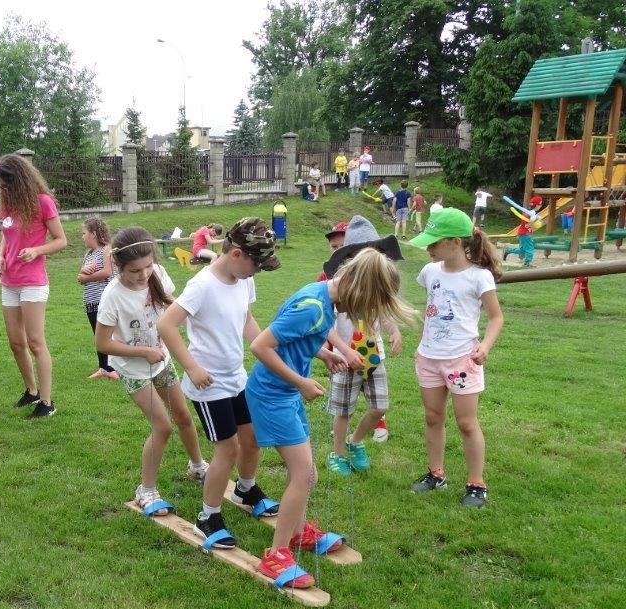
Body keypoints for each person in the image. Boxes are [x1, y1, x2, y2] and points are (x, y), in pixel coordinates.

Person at [246, 247, 417, 589]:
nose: (365, 313)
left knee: (306, 473)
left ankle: (297, 531)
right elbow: (260, 346)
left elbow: (304, 336)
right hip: (272, 395)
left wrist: (324, 355)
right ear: (360, 289)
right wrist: (301, 382)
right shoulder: (312, 305)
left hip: (286, 394)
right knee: (304, 474)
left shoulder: (324, 301)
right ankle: (276, 556)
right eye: (370, 304)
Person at [156, 217, 282, 550]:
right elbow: (166, 325)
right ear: (237, 254)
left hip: (236, 377)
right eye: (256, 265)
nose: (256, 272)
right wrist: (192, 367)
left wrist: (266, 349)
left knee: (251, 440)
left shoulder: (243, 279)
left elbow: (246, 318)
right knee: (228, 449)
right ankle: (208, 516)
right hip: (208, 384)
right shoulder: (202, 285)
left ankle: (245, 489)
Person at [96, 226, 209, 513]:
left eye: (147, 266)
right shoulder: (112, 296)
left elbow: (170, 306)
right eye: (135, 270)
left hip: (162, 360)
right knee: (162, 426)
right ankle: (146, 490)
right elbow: (102, 343)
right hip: (134, 371)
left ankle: (197, 467)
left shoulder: (156, 273)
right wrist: (143, 352)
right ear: (119, 266)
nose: (144, 274)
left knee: (183, 416)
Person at [408, 208, 505, 508]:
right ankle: (436, 474)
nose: (429, 248)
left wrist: (485, 346)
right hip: (429, 358)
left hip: (462, 361)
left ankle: (476, 483)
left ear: (455, 242)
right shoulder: (430, 272)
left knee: (466, 423)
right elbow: (434, 310)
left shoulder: (479, 277)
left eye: (434, 242)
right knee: (432, 417)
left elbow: (496, 317)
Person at [0, 152, 67, 419]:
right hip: (9, 281)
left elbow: (61, 240)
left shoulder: (43, 202)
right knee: (16, 343)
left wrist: (36, 250)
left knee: (35, 342)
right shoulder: (6, 205)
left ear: (18, 178)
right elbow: (5, 238)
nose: (1, 185)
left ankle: (47, 402)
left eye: (4, 180)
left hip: (33, 281)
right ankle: (31, 391)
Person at [320, 217, 403, 474]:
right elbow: (324, 325)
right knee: (343, 410)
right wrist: (343, 351)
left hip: (374, 356)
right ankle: (338, 453)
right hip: (345, 359)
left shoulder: (378, 282)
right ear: (350, 257)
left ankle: (354, 442)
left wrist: (394, 330)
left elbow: (383, 311)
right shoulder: (336, 287)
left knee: (379, 406)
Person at [76, 216, 117, 380]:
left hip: (104, 300)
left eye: (84, 233)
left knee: (109, 335)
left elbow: (108, 272)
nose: (82, 237)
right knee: (98, 336)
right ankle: (104, 368)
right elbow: (80, 277)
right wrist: (82, 275)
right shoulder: (89, 254)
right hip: (91, 302)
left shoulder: (107, 249)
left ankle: (113, 368)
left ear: (93, 234)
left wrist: (86, 277)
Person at [504, 195, 543, 266]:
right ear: (536, 205)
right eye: (540, 204)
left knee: (522, 250)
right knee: (530, 248)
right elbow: (527, 225)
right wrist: (536, 221)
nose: (541, 206)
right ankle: (527, 263)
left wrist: (536, 219)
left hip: (524, 233)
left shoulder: (531, 213)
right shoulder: (529, 214)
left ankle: (508, 250)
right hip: (525, 234)